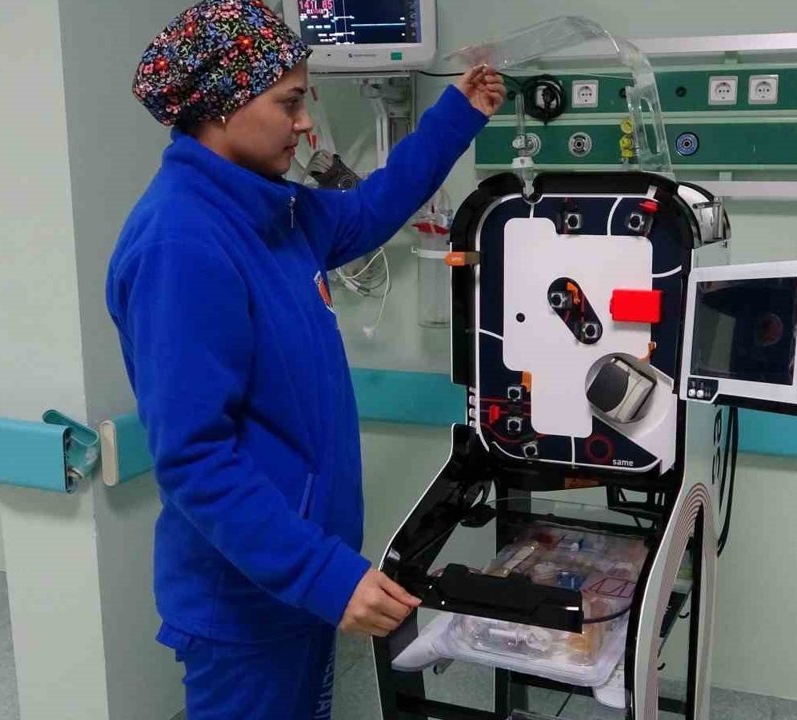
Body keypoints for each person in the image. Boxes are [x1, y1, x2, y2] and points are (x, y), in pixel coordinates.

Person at [105, 1, 505, 718]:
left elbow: (372, 208)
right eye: (288, 103)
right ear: (221, 106)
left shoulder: (275, 213)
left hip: (295, 581)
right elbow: (194, 458)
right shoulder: (183, 244)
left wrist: (457, 114)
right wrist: (324, 574)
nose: (305, 123)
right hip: (246, 605)